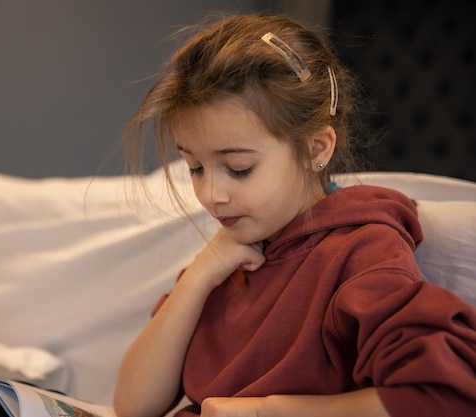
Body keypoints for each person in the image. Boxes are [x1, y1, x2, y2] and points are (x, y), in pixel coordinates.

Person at [112, 12, 476, 417]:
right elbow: (132, 406)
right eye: (195, 167)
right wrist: (198, 278)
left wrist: (263, 411)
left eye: (238, 169)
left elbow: (443, 396)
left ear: (317, 149)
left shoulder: (361, 250)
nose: (210, 195)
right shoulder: (228, 256)